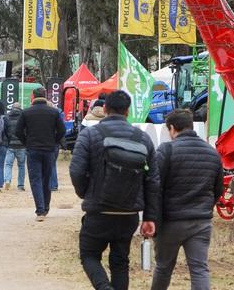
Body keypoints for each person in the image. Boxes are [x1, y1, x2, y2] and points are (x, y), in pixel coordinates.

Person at [69, 90, 159, 290]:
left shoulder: (90, 135)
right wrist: (150, 217)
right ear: (127, 112)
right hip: (128, 213)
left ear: (105, 109)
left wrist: (86, 193)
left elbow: (76, 170)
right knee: (120, 262)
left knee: (89, 255)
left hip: (98, 211)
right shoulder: (143, 139)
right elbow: (153, 181)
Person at [151, 109, 223, 290]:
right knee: (199, 269)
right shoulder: (211, 152)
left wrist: (153, 218)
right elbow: (218, 188)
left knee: (163, 267)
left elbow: (155, 186)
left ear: (172, 128)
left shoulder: (166, 150)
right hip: (201, 220)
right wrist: (205, 207)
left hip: (170, 221)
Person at [16, 87, 65, 220]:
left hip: (33, 149)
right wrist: (54, 141)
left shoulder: (26, 112)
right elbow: (62, 131)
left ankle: (40, 210)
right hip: (49, 149)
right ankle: (46, 207)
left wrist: (26, 142)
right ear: (45, 96)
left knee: (35, 179)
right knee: (46, 178)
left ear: (33, 96)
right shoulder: (54, 112)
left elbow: (18, 131)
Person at [4, 102, 26, 191]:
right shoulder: (24, 117)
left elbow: (5, 131)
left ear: (12, 108)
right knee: (21, 165)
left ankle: (8, 180)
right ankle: (20, 185)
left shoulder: (7, 116)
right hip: (21, 145)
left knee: (8, 164)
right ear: (20, 108)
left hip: (10, 145)